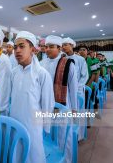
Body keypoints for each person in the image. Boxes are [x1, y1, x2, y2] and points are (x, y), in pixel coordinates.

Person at [10, 31, 55, 163]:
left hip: (32, 125)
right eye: (15, 47)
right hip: (15, 121)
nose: (17, 50)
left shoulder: (41, 74)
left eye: (22, 46)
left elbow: (47, 103)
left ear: (33, 50)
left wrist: (45, 127)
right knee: (16, 153)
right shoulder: (13, 73)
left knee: (33, 154)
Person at [40, 35, 78, 163]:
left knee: (62, 137)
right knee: (46, 134)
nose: (48, 50)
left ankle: (65, 160)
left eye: (51, 47)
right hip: (45, 107)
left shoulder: (68, 64)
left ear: (59, 48)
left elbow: (73, 89)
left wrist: (74, 109)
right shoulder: (41, 64)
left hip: (63, 107)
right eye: (46, 47)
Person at [62, 37, 88, 140]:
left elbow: (84, 76)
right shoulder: (62, 58)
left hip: (77, 91)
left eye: (66, 45)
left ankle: (78, 136)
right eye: (62, 45)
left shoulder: (80, 59)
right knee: (67, 112)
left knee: (77, 112)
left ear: (72, 45)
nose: (64, 47)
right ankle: (67, 136)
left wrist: (76, 88)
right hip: (66, 91)